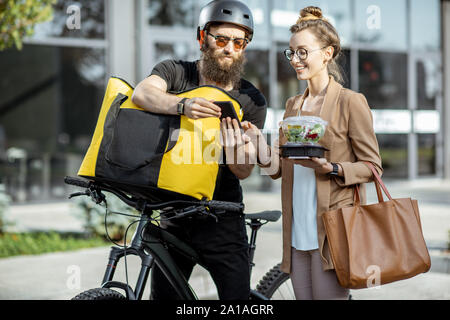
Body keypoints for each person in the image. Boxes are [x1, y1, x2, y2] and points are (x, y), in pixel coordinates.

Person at [243, 6, 383, 300]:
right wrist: (257, 144)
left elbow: (373, 167)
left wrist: (331, 168)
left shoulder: (350, 102)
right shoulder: (293, 105)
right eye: (291, 53)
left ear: (327, 53)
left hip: (331, 234)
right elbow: (277, 169)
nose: (295, 60)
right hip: (296, 234)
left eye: (303, 52)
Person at [131, 0, 267, 300]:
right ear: (202, 38)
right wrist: (182, 104)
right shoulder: (176, 73)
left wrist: (234, 151)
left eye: (239, 42)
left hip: (223, 218)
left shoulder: (251, 99)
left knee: (237, 302)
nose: (229, 48)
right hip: (173, 213)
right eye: (221, 39)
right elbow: (142, 93)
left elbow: (244, 171)